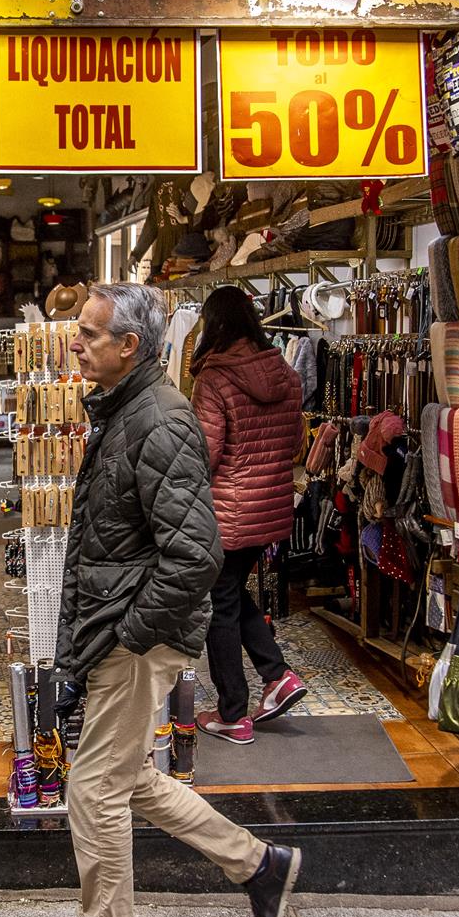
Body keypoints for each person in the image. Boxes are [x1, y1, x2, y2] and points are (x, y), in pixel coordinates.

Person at [21, 282, 302, 917]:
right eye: (78, 330)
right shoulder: (125, 409)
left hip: (136, 636)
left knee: (93, 786)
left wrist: (131, 631)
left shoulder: (160, 420)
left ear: (130, 348)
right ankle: (259, 865)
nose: (76, 342)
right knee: (128, 777)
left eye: (89, 333)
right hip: (123, 626)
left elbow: (196, 553)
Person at [190, 287, 309, 744]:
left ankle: (232, 713)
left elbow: (206, 453)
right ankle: (277, 676)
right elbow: (294, 442)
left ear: (212, 323)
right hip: (271, 509)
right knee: (231, 593)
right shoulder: (286, 373)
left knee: (218, 605)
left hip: (228, 511)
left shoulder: (214, 379)